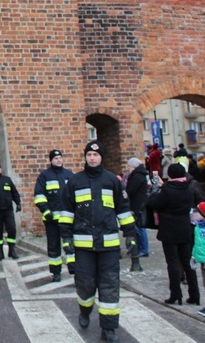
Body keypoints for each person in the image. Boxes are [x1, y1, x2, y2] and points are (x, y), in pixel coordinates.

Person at [59, 141, 136, 343]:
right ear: (85, 158)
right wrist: (66, 239)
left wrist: (130, 234)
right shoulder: (75, 182)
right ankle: (85, 310)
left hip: (108, 246)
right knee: (85, 285)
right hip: (83, 247)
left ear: (101, 157)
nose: (92, 158)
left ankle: (109, 328)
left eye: (96, 154)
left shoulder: (112, 181)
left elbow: (123, 209)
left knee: (110, 286)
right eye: (89, 155)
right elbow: (66, 213)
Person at [146, 162, 200, 306]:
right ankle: (195, 294)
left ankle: (176, 294)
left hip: (169, 230)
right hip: (185, 229)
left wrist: (155, 192)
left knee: (173, 263)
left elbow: (153, 203)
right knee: (187, 262)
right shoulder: (188, 189)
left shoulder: (168, 191)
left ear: (169, 175)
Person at [34, 149, 75, 281]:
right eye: (56, 158)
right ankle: (56, 272)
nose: (58, 160)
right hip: (52, 219)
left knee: (70, 245)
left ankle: (74, 270)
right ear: (51, 160)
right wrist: (46, 211)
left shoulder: (69, 175)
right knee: (53, 246)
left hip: (68, 219)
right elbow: (39, 195)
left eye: (60, 158)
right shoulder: (44, 176)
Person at [125, 157, 149, 267]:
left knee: (139, 227)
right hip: (139, 203)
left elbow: (131, 190)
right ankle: (142, 248)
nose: (128, 168)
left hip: (137, 204)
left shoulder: (137, 176)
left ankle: (143, 249)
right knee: (139, 226)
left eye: (129, 166)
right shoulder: (140, 174)